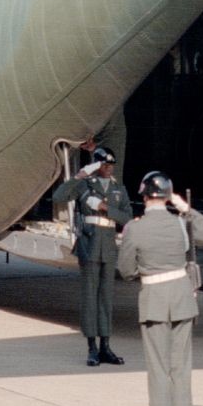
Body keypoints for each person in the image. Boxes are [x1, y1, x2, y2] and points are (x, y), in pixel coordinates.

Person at [117, 172, 203, 406]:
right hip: (182, 298)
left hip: (153, 300)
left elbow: (125, 270)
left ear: (144, 196)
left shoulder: (135, 229)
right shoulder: (180, 224)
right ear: (168, 196)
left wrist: (144, 271)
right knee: (181, 367)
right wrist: (186, 209)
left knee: (158, 368)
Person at [52, 146, 134, 367]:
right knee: (90, 297)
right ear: (96, 165)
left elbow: (127, 218)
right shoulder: (84, 185)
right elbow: (58, 196)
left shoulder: (119, 189)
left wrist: (107, 209)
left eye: (110, 165)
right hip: (89, 245)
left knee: (106, 298)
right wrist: (79, 176)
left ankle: (106, 345)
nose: (108, 169)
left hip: (107, 245)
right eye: (104, 165)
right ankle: (92, 347)